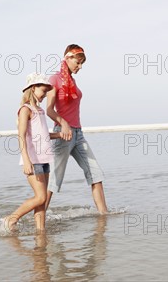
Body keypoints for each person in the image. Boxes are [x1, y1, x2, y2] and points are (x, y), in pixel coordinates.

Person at [45, 44, 108, 214]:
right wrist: (63, 123)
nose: (80, 67)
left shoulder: (72, 80)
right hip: (63, 134)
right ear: (67, 58)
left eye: (82, 64)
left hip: (78, 134)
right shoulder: (54, 79)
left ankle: (104, 216)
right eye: (78, 63)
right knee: (53, 182)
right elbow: (49, 109)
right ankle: (38, 220)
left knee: (96, 175)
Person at [4, 73, 63, 233]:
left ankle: (40, 232)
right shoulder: (25, 109)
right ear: (33, 88)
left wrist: (59, 134)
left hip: (44, 159)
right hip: (33, 159)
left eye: (46, 91)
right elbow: (21, 135)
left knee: (41, 202)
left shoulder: (40, 111)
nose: (45, 95)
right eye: (43, 91)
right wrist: (26, 160)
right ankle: (12, 218)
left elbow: (43, 135)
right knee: (40, 197)